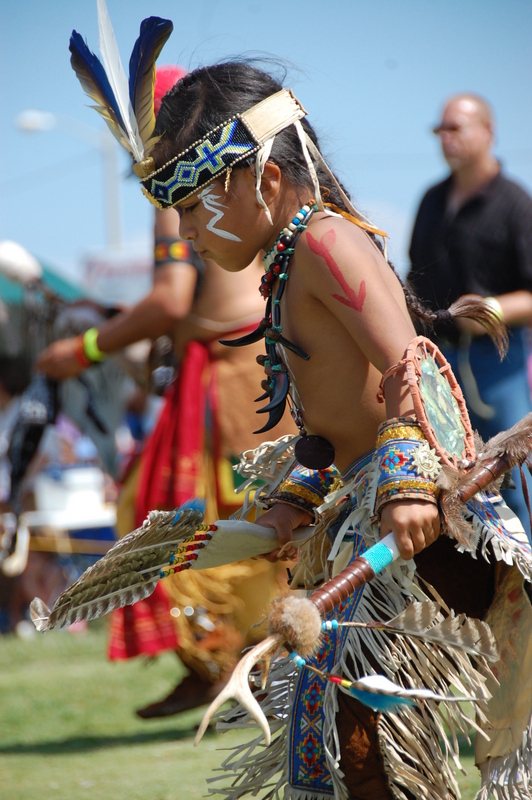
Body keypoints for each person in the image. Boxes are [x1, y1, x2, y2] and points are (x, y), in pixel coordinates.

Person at [68, 15, 532, 799]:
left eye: (191, 207)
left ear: (265, 180)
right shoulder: (288, 266)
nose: (184, 232)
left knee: (361, 741)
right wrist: (292, 499)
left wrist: (411, 486)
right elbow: (325, 423)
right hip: (370, 508)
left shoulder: (325, 245)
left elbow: (412, 364)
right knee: (338, 740)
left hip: (427, 518)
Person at [37, 65, 295, 717]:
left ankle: (243, 662)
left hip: (236, 371)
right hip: (230, 364)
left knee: (233, 521)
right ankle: (219, 660)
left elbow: (170, 298)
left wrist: (85, 348)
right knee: (202, 516)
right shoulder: (209, 185)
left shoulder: (176, 188)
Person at [408, 94, 532, 537]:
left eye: (455, 128)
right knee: (448, 482)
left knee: (517, 480)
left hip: (497, 362)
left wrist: (491, 311)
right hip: (440, 362)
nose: (446, 138)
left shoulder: (516, 203)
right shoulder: (431, 200)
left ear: (487, 132)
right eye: (440, 130)